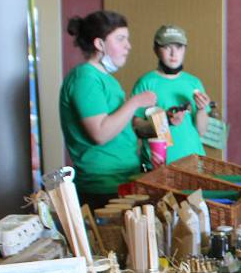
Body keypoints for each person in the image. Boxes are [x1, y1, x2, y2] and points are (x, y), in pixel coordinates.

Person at [59, 11, 156, 208]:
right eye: (120, 39)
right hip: (102, 187)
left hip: (124, 179)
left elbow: (121, 128)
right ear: (99, 44)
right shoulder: (85, 78)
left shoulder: (107, 79)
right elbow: (100, 133)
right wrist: (135, 102)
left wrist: (160, 125)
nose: (128, 46)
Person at [131, 25, 211, 165]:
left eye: (179, 47)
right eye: (167, 47)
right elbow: (137, 128)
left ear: (185, 49)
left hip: (194, 161)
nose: (174, 54)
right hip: (159, 164)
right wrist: (164, 121)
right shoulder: (146, 83)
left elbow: (201, 131)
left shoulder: (193, 82)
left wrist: (201, 109)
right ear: (156, 49)